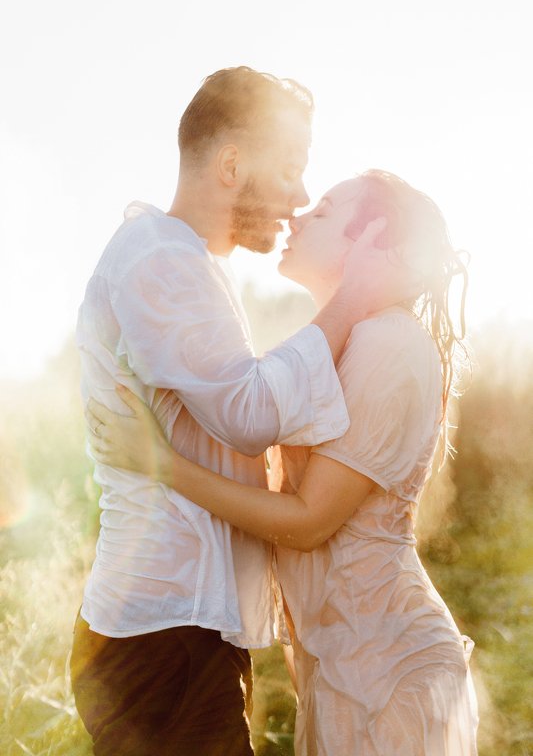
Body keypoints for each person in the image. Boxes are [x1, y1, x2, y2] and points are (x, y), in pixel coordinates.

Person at [72, 68, 410, 756]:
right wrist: (351, 298)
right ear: (231, 164)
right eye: (288, 169)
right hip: (162, 631)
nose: (301, 197)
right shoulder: (159, 260)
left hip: (179, 626)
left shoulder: (183, 261)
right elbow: (248, 413)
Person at [88, 170, 479, 756]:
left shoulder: (390, 345)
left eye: (321, 212)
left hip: (388, 662)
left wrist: (161, 464)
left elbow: (309, 522)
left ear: (373, 245)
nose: (296, 216)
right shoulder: (344, 341)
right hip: (340, 660)